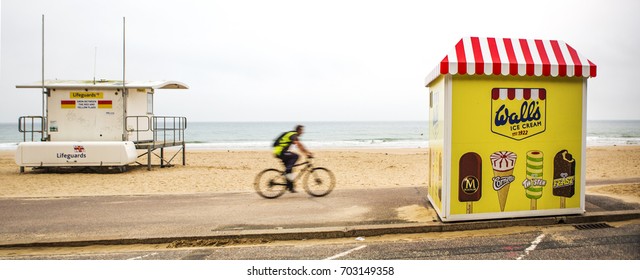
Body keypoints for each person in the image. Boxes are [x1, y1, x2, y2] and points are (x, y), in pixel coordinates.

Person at [273, 125, 313, 192]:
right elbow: (299, 145)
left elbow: (299, 145)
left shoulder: (292, 135)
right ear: (299, 130)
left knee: (289, 170)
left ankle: (290, 187)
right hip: (280, 151)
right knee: (295, 156)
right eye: (302, 131)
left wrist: (307, 152)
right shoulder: (293, 135)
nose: (302, 132)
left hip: (280, 151)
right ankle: (288, 169)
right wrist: (307, 153)